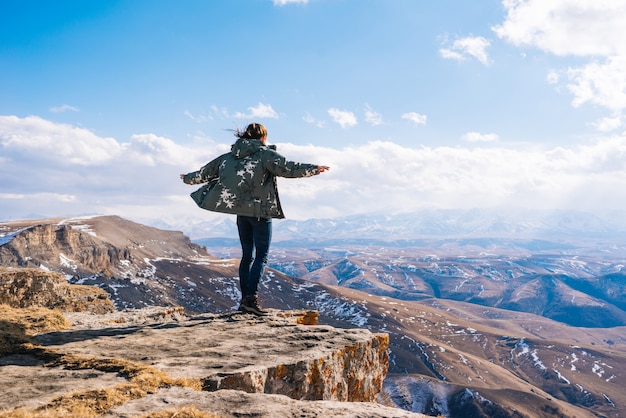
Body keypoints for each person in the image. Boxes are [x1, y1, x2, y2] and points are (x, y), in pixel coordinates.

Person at [180, 123, 330, 316]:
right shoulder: (264, 155)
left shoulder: (228, 158)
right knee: (260, 257)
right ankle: (251, 300)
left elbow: (203, 173)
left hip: (241, 214)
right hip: (260, 213)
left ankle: (245, 301)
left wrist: (187, 178)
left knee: (246, 256)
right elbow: (289, 168)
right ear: (262, 137)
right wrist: (314, 169)